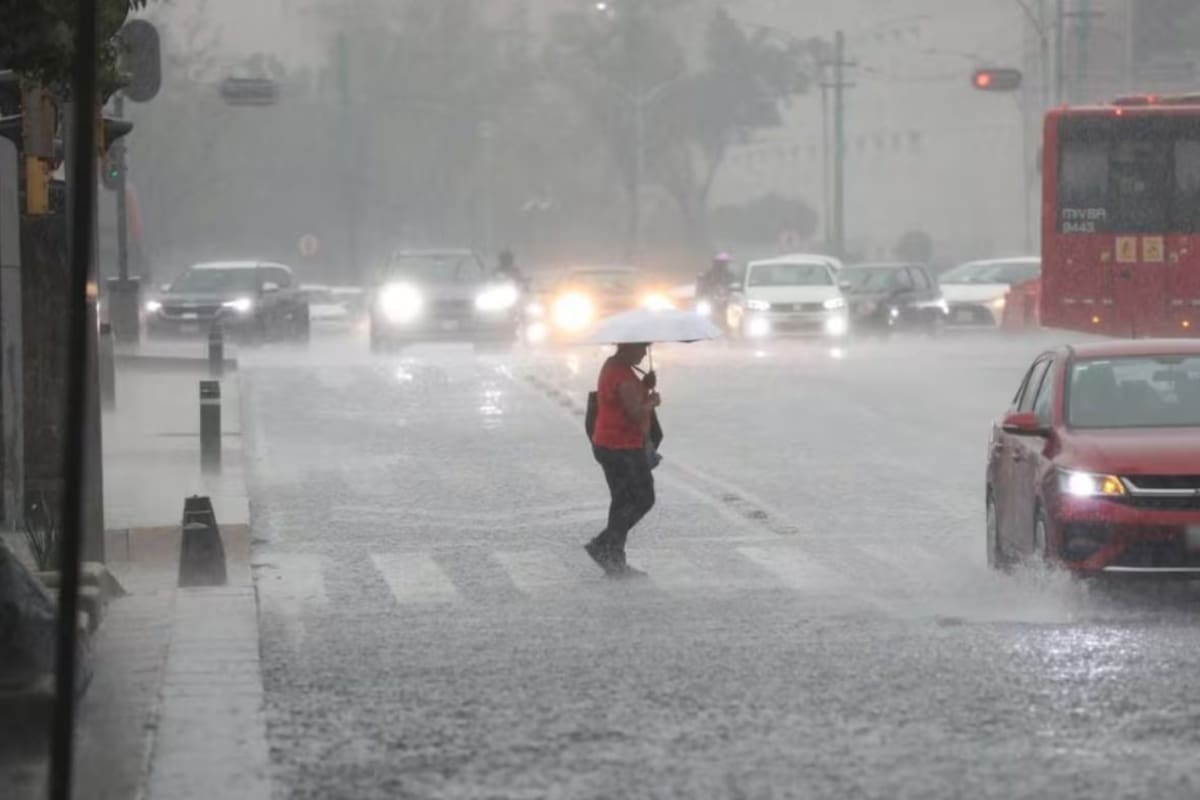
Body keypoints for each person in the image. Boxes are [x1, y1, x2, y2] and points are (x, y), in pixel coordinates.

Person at [585, 342, 661, 578]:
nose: (644, 353)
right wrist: (651, 402)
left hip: (608, 443)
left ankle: (614, 560)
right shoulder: (623, 375)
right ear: (628, 348)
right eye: (641, 348)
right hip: (622, 447)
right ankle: (604, 544)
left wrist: (644, 385)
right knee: (643, 498)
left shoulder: (612, 366)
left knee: (622, 501)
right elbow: (635, 412)